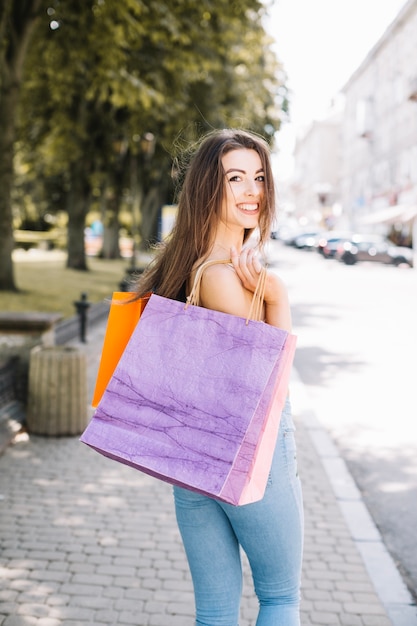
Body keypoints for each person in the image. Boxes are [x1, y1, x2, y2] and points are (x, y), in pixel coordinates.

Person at [134, 128, 304, 626]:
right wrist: (278, 299)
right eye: (236, 178)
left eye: (259, 177)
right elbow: (269, 384)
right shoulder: (223, 275)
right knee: (279, 598)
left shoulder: (189, 263)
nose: (253, 191)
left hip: (192, 458)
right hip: (251, 455)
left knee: (214, 610)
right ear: (209, 187)